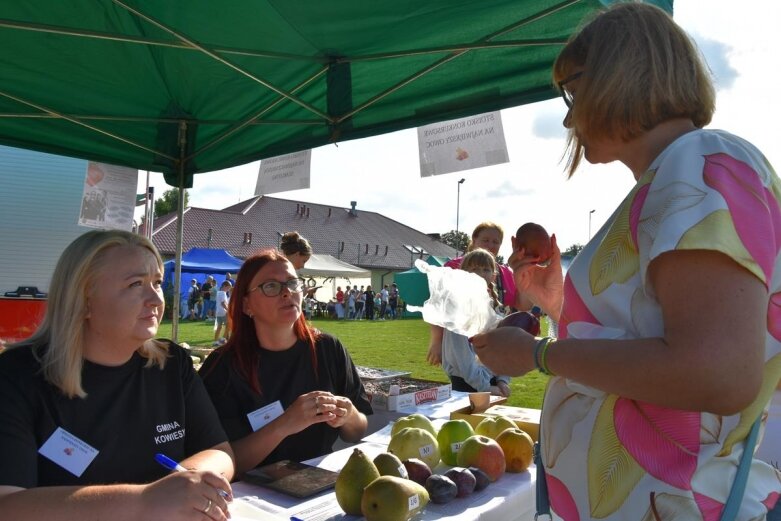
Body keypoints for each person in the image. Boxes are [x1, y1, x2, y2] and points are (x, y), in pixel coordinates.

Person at [472, 4, 781, 518]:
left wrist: (538, 355)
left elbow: (718, 374)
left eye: (572, 90)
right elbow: (655, 344)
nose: (569, 116)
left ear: (619, 74)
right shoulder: (678, 173)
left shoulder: (697, 160)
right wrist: (561, 307)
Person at [0, 230, 234, 520]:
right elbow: (7, 505)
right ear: (84, 300)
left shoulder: (172, 364)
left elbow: (220, 453)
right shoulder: (16, 375)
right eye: (136, 284)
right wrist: (145, 501)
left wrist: (186, 485)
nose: (155, 299)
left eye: (157, 283)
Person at [199, 249, 372, 473]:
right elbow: (223, 462)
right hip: (250, 496)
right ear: (246, 305)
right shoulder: (222, 367)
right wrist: (283, 425)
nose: (286, 293)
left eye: (292, 283)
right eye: (271, 286)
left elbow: (357, 431)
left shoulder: (328, 349)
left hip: (319, 488)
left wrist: (349, 416)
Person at [427, 221, 521, 365]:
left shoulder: (506, 273)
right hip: (463, 345)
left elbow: (521, 305)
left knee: (495, 384)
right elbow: (439, 306)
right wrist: (436, 342)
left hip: (495, 347)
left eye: (496, 242)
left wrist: (524, 267)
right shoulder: (453, 267)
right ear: (474, 240)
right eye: (485, 240)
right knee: (468, 382)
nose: (490, 245)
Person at [441, 249, 511, 397]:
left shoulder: (494, 309)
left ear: (493, 276)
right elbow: (462, 357)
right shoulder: (457, 309)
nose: (480, 274)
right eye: (474, 269)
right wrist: (484, 386)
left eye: (486, 269)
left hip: (492, 385)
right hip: (465, 386)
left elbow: (502, 350)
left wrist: (502, 380)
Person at [213, 280, 232, 346]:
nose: (228, 289)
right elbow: (223, 303)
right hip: (223, 312)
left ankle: (215, 341)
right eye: (228, 288)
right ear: (224, 286)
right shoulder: (223, 293)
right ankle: (223, 339)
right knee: (229, 325)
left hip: (218, 312)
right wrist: (228, 310)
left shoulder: (218, 292)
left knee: (219, 327)